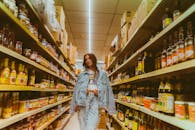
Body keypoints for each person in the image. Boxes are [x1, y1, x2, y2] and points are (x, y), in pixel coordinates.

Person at [70, 53, 116, 130]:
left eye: (89, 58)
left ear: (94, 59)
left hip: (95, 102)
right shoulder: (81, 75)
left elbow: (108, 90)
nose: (87, 60)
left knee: (91, 127)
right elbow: (76, 91)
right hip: (83, 103)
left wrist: (111, 108)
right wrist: (73, 106)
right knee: (83, 127)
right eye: (86, 59)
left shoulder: (103, 74)